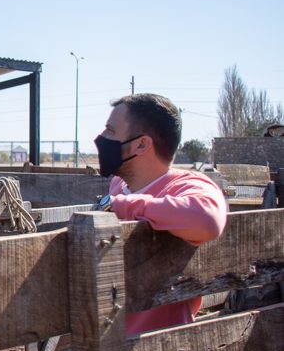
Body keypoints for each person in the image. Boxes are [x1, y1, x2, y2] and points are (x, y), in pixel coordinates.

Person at [94, 93, 227, 335]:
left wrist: (125, 206)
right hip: (109, 332)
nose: (101, 138)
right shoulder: (118, 184)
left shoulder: (185, 185)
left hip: (160, 342)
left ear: (142, 144)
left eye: (110, 131)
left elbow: (208, 220)